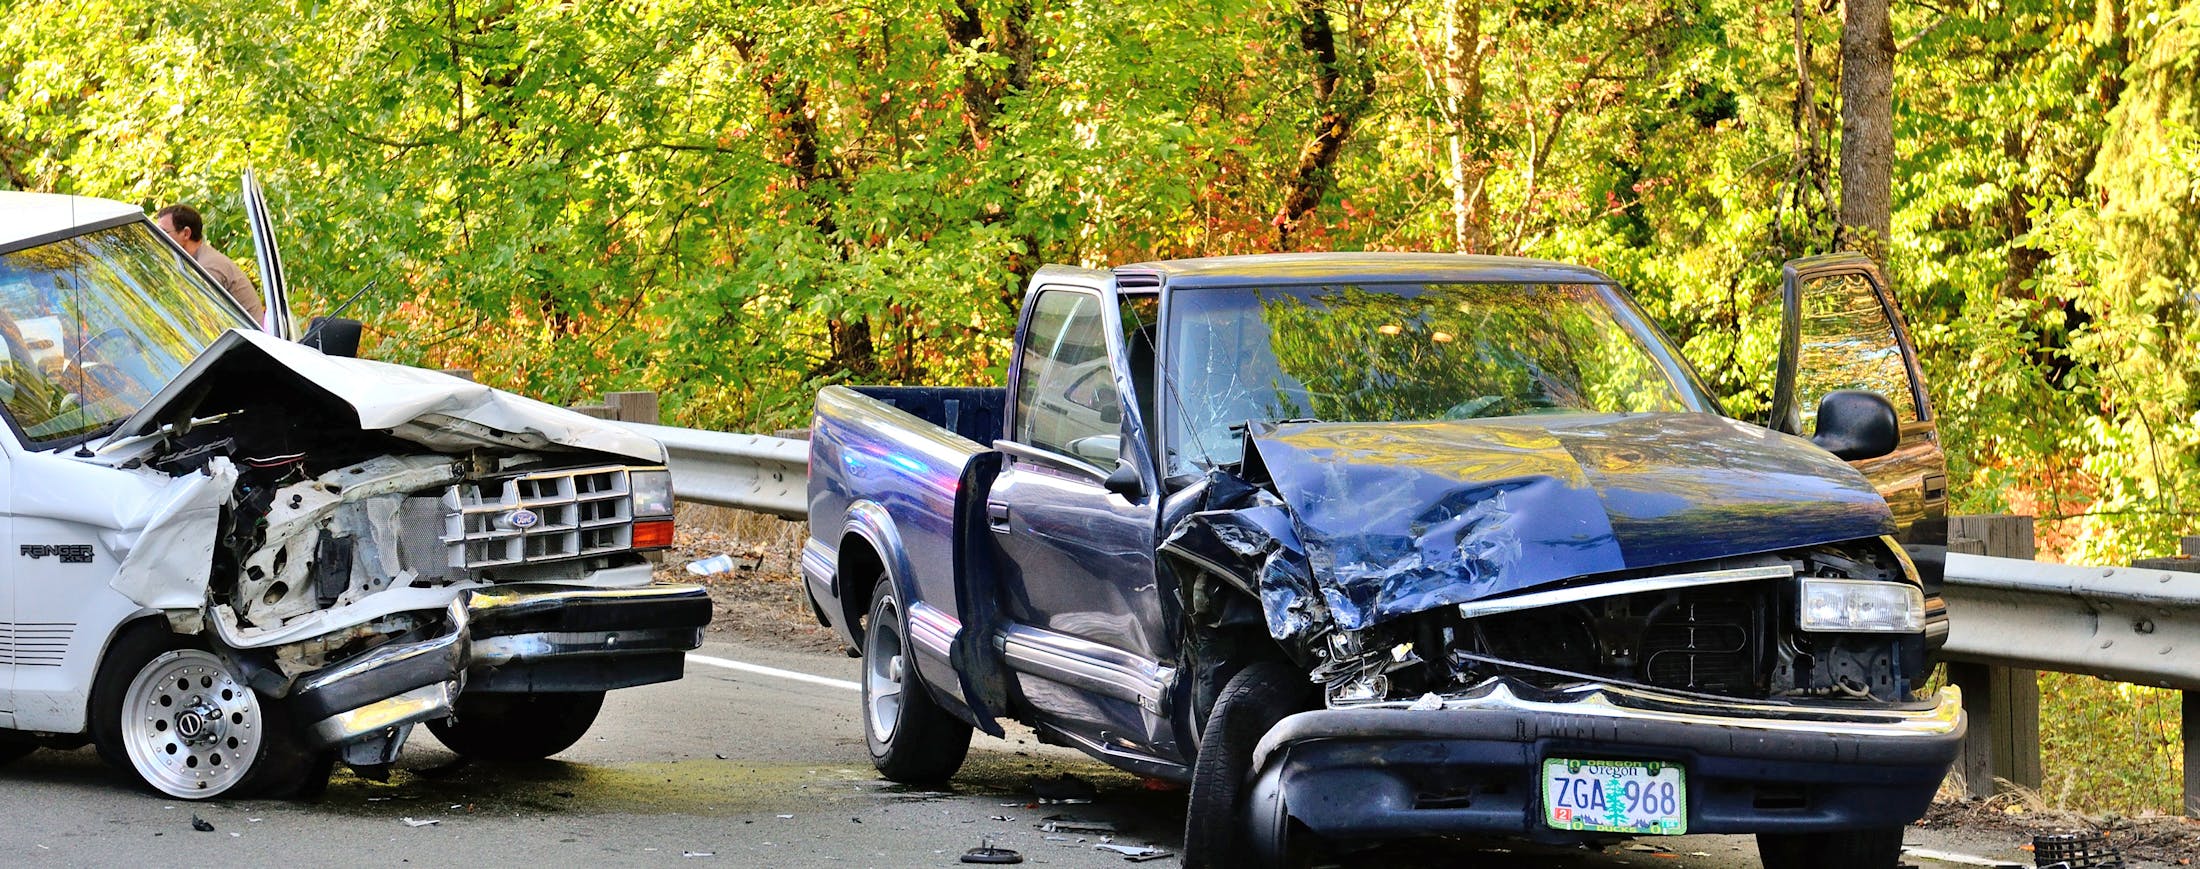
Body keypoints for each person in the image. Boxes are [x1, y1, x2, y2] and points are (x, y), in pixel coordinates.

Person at [154, 204, 265, 323]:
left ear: (186, 233)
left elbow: (206, 320)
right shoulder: (197, 259)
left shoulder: (208, 267)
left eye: (163, 232)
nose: (156, 237)